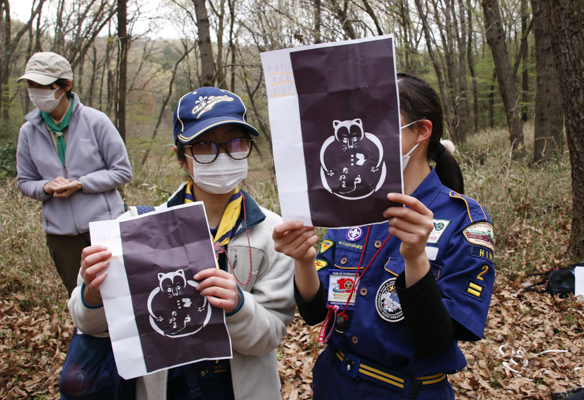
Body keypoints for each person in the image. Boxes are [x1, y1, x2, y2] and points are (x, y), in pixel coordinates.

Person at [273, 73, 495, 399]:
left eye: (381, 119)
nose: (367, 130)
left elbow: (436, 340)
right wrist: (304, 260)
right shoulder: (351, 207)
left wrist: (416, 258)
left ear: (422, 131)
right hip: (334, 381)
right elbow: (315, 312)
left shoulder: (464, 219)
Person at [68, 87, 296, 399]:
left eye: (235, 143)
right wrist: (93, 294)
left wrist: (239, 306)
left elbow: (268, 337)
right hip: (166, 387)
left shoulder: (274, 233)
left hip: (241, 388)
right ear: (181, 156)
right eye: (203, 146)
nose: (222, 155)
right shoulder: (135, 230)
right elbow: (89, 325)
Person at [16, 52, 132, 295]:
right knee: (81, 296)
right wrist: (46, 187)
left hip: (105, 227)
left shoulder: (96, 121)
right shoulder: (28, 132)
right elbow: (25, 182)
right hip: (61, 235)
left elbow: (122, 171)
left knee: (121, 293)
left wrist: (81, 184)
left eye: (43, 86)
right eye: (31, 85)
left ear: (66, 86)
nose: (35, 91)